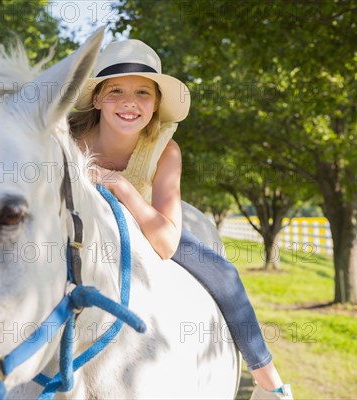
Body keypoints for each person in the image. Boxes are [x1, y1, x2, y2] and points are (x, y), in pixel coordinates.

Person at [69, 39, 293, 400]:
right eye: (115, 91)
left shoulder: (164, 149)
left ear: (156, 103)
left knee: (222, 273)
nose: (129, 102)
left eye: (143, 92)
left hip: (145, 226)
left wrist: (118, 184)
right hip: (82, 229)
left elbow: (167, 241)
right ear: (96, 98)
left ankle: (269, 380)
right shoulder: (71, 140)